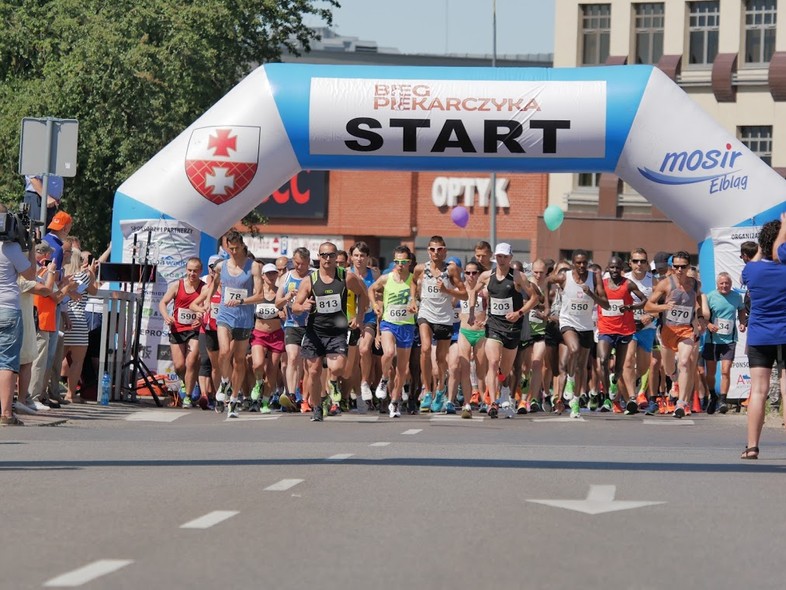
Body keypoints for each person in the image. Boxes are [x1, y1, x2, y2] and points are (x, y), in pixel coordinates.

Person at [292, 242, 368, 422]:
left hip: (337, 331)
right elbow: (295, 306)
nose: (327, 259)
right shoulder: (310, 280)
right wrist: (302, 306)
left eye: (331, 255)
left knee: (338, 367)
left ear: (337, 258)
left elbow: (363, 295)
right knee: (313, 371)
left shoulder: (346, 277)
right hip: (314, 331)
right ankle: (318, 407)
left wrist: (359, 317)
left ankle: (333, 382)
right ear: (318, 257)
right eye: (324, 255)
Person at [197, 231, 264, 417]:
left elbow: (261, 295)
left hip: (244, 318)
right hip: (225, 316)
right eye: (230, 248)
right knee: (224, 352)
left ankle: (234, 400)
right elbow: (214, 283)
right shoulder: (222, 266)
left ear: (242, 245)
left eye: (236, 248)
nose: (233, 252)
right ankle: (225, 381)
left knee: (239, 361)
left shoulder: (254, 267)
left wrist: (242, 302)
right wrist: (209, 301)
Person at [469, 243, 539, 419]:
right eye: (499, 256)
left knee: (504, 370)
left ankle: (505, 391)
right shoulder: (486, 276)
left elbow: (535, 298)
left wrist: (519, 313)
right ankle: (493, 402)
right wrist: (471, 312)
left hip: (512, 328)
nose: (501, 260)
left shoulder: (517, 276)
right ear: (495, 257)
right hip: (493, 325)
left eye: (505, 257)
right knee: (492, 362)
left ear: (510, 258)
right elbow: (472, 290)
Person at [739, 215, 786, 459]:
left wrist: (764, 247)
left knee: (758, 391)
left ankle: (752, 446)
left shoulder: (751, 270)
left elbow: (757, 261)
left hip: (759, 334)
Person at [645, 251, 707, 418]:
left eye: (683, 266)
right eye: (676, 266)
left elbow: (699, 299)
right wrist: (662, 308)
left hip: (685, 330)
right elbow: (648, 306)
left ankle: (681, 403)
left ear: (688, 267)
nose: (679, 270)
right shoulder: (665, 284)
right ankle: (675, 380)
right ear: (672, 267)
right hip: (667, 331)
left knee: (685, 362)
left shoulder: (695, 284)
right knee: (669, 369)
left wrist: (700, 317)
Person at [410, 236, 466, 413]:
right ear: (428, 251)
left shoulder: (451, 270)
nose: (436, 252)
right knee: (425, 348)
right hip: (426, 313)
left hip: (444, 317)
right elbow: (412, 282)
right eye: (433, 249)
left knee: (441, 359)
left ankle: (440, 390)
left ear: (445, 251)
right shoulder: (420, 268)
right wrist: (413, 299)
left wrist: (447, 291)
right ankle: (427, 390)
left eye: (440, 249)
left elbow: (464, 294)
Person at [550, 249, 609, 418]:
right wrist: (556, 271)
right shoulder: (564, 277)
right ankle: (569, 379)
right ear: (573, 263)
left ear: (588, 262)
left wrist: (590, 293)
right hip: (568, 321)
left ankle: (575, 401)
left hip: (586, 326)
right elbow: (548, 279)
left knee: (582, 367)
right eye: (578, 263)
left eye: (584, 262)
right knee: (574, 349)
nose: (582, 266)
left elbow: (606, 304)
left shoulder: (594, 277)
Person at [0, 203, 38, 425]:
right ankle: (5, 414)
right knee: (6, 362)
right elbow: (30, 274)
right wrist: (31, 247)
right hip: (7, 308)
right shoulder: (11, 249)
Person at [368, 246, 416, 418]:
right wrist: (374, 304)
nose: (400, 265)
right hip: (389, 323)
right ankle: (384, 379)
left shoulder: (412, 280)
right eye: (397, 261)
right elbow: (371, 289)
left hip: (406, 325)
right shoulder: (386, 278)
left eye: (403, 262)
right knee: (388, 353)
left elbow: (415, 296)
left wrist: (414, 303)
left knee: (402, 369)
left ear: (409, 262)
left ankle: (395, 402)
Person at [595, 255, 646, 414]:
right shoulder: (602, 285)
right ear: (608, 269)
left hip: (624, 330)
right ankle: (606, 397)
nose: (615, 270)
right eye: (612, 267)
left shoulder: (628, 284)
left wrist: (632, 308)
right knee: (603, 360)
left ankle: (614, 380)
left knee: (618, 369)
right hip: (606, 329)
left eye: (618, 268)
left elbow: (644, 300)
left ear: (622, 269)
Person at [159, 257, 204, 407]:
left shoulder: (204, 288)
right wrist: (166, 316)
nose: (192, 274)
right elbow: (163, 303)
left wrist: (201, 316)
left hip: (194, 330)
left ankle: (188, 397)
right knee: (179, 366)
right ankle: (187, 382)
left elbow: (207, 307)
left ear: (200, 271)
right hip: (177, 329)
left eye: (195, 271)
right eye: (190, 270)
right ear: (186, 270)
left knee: (191, 362)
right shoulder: (177, 285)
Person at [700, 272, 747, 414]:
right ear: (717, 284)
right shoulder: (710, 297)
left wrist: (743, 323)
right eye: (722, 283)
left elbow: (741, 309)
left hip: (729, 340)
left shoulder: (736, 297)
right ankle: (713, 395)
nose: (724, 286)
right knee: (711, 374)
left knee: (726, 371)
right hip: (712, 340)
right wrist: (708, 325)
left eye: (727, 283)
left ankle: (722, 400)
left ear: (731, 284)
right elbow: (703, 316)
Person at [275, 247, 311, 412]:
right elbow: (277, 303)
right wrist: (287, 297)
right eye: (296, 263)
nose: (299, 267)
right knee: (293, 357)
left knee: (308, 364)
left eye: (302, 264)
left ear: (308, 262)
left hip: (311, 325)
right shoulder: (286, 277)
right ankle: (290, 394)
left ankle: (306, 397)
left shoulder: (313, 276)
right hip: (292, 324)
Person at [249, 263, 286, 413]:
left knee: (271, 370)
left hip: (276, 335)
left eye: (273, 273)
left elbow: (287, 312)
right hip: (259, 334)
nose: (271, 277)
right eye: (268, 274)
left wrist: (283, 314)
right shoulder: (257, 293)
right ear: (262, 276)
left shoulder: (280, 293)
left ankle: (265, 402)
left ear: (277, 275)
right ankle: (258, 383)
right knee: (257, 364)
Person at [456, 260, 487, 419]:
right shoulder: (460, 289)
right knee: (465, 367)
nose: (470, 276)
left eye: (474, 272)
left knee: (482, 371)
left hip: (481, 333)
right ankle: (467, 404)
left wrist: (486, 320)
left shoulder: (485, 290)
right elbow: (449, 303)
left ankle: (484, 401)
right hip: (465, 332)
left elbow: (493, 308)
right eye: (467, 273)